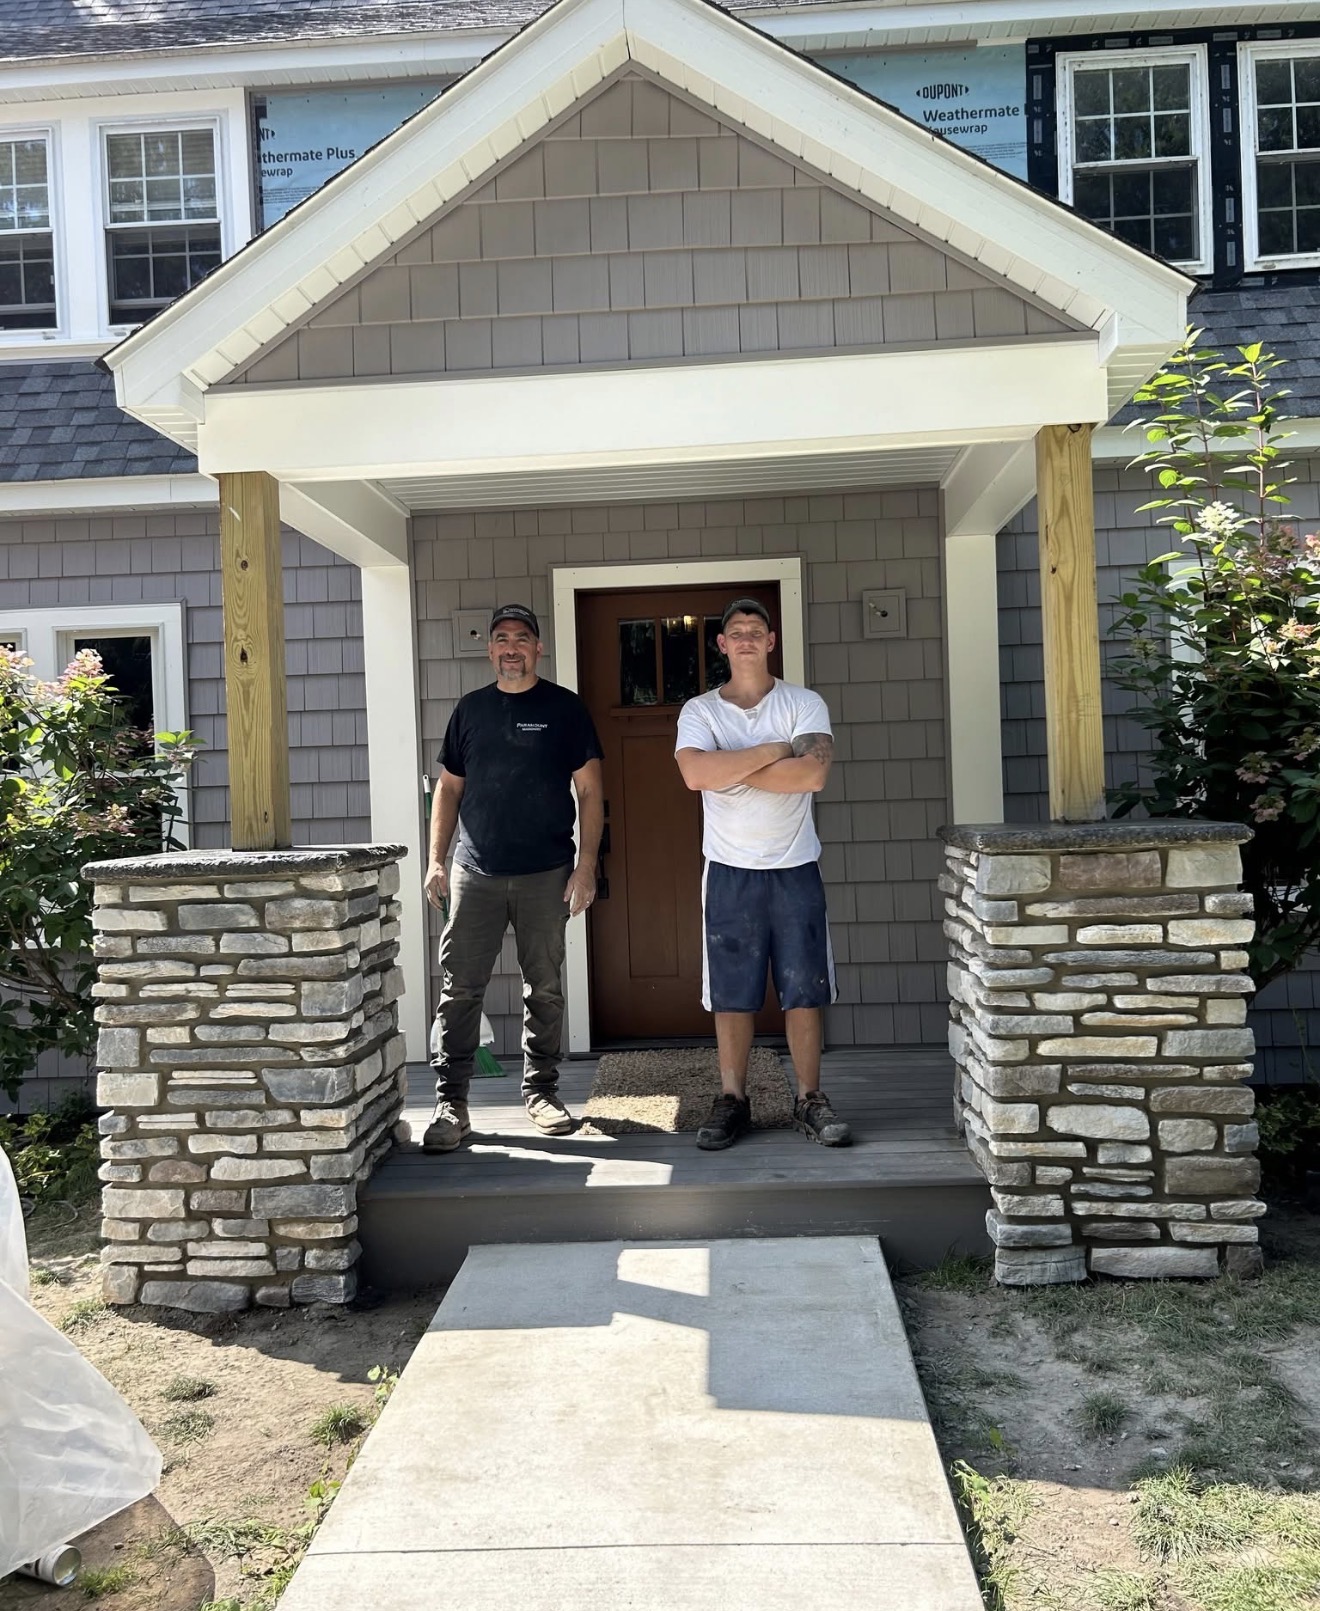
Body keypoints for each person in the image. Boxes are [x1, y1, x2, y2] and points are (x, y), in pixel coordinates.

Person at [422, 604, 604, 1152]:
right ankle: (450, 1106)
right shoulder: (471, 710)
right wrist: (436, 860)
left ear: (538, 649)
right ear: (490, 649)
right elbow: (448, 789)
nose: (511, 647)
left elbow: (591, 792)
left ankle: (542, 1092)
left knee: (544, 989)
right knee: (459, 991)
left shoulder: (565, 709)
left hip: (546, 873)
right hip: (474, 871)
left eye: (521, 638)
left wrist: (587, 865)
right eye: (501, 638)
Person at [674, 598, 850, 1150]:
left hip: (795, 868)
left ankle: (809, 1099)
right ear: (722, 645)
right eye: (736, 632)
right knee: (732, 995)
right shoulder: (700, 711)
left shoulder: (804, 702)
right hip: (728, 871)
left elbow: (813, 776)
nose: (746, 638)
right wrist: (774, 751)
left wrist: (734, 766)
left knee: (804, 990)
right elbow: (695, 773)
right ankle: (733, 1099)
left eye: (756, 630)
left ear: (771, 641)